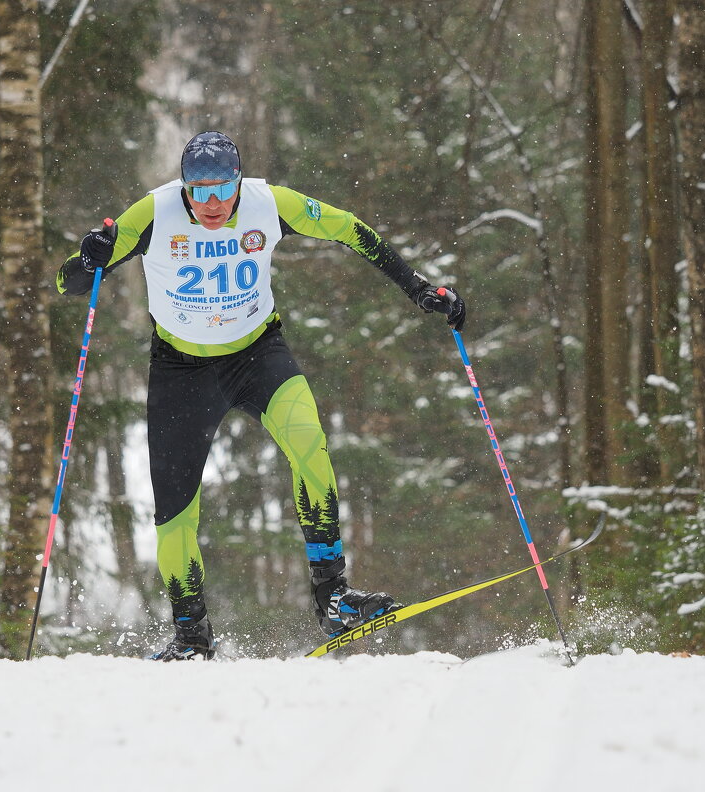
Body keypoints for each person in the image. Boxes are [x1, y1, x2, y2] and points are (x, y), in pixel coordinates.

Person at [56, 131, 465, 660]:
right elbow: (70, 282)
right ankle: (190, 635)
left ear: (238, 182)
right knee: (175, 513)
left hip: (256, 356)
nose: (209, 203)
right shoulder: (153, 213)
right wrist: (91, 259)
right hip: (180, 371)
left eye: (221, 189)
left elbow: (350, 229)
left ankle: (333, 598)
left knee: (309, 447)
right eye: (196, 190)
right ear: (182, 187)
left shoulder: (269, 204)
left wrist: (418, 288)